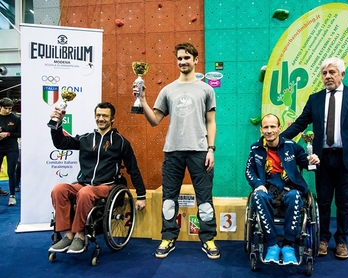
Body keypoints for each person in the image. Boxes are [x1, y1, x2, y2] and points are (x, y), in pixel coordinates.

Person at [281, 57, 348, 259]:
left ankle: (341, 241)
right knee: (323, 202)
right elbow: (300, 123)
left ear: (342, 74)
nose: (328, 76)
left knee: (344, 202)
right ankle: (323, 239)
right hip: (321, 159)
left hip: (347, 159)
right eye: (324, 73)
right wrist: (276, 138)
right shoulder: (315, 99)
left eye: (332, 72)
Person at [134, 42, 220, 260]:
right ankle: (168, 238)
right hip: (173, 151)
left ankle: (208, 239)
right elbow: (154, 120)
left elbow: (211, 122)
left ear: (196, 60)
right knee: (169, 199)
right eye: (180, 58)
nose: (183, 61)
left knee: (205, 200)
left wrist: (211, 149)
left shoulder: (206, 89)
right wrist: (142, 100)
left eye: (187, 58)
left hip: (200, 151)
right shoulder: (167, 90)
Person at [48, 102, 147, 254]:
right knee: (58, 189)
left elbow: (133, 169)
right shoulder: (85, 138)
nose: (101, 118)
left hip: (106, 186)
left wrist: (141, 196)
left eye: (105, 116)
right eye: (98, 115)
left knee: (86, 192)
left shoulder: (120, 142)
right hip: (83, 184)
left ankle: (80, 235)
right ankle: (68, 235)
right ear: (95, 117)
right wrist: (58, 123)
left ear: (112, 118)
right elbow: (60, 143)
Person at [245, 114, 320, 264]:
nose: (269, 130)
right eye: (266, 127)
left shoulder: (291, 146)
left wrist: (313, 161)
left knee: (295, 196)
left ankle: (288, 246)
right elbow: (249, 171)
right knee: (258, 196)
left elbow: (308, 164)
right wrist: (258, 184)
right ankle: (272, 244)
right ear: (261, 129)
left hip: (290, 188)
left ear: (279, 128)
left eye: (273, 126)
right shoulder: (255, 148)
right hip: (267, 188)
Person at [0, 98, 21, 206]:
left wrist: (8, 134)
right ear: (0, 107)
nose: (8, 110)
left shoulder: (16, 118)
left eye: (10, 108)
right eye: (6, 108)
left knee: (11, 172)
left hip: (12, 148)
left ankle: (12, 196)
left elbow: (20, 133)